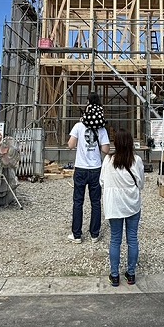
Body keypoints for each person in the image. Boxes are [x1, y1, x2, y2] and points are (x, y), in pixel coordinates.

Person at [100, 129, 144, 286]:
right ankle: (131, 274)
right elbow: (141, 183)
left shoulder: (108, 160)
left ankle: (115, 275)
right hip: (132, 203)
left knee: (115, 239)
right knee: (132, 238)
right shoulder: (136, 160)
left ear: (115, 143)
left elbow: (102, 181)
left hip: (114, 205)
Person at [67, 93, 110, 243]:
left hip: (80, 168)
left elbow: (71, 145)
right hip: (96, 168)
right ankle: (94, 234)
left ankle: (77, 235)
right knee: (95, 202)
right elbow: (105, 150)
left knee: (78, 201)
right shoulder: (101, 128)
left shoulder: (79, 126)